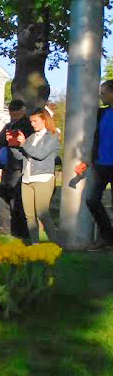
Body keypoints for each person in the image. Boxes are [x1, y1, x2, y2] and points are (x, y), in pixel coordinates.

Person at [74, 79, 113, 250]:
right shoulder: (102, 113)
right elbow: (94, 139)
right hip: (100, 164)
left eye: (103, 93)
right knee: (91, 200)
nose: (101, 95)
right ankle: (107, 237)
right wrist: (86, 160)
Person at [16, 108, 60, 244]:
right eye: (31, 121)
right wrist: (14, 144)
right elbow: (23, 155)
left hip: (43, 178)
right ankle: (35, 244)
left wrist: (24, 144)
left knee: (42, 213)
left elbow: (40, 154)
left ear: (44, 120)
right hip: (26, 179)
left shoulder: (52, 136)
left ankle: (55, 244)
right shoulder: (32, 137)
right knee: (29, 215)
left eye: (35, 121)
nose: (32, 124)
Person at [0, 101, 33, 239]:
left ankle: (18, 229)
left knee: (16, 199)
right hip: (8, 165)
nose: (13, 113)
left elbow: (30, 144)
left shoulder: (28, 125)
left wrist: (14, 140)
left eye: (16, 111)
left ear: (23, 110)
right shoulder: (9, 126)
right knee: (4, 197)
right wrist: (6, 138)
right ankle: (4, 227)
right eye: (11, 111)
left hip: (19, 165)